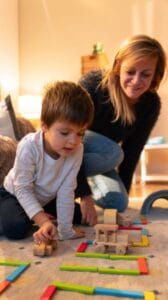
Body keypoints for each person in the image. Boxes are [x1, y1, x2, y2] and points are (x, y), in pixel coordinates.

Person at [75, 34, 167, 225]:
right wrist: (84, 195)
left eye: (146, 74)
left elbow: (132, 152)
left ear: (155, 75)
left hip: (99, 160)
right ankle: (69, 184)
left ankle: (84, 182)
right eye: (130, 72)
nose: (136, 80)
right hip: (69, 152)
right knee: (113, 152)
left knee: (117, 202)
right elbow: (72, 137)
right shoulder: (92, 84)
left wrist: (123, 192)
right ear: (118, 68)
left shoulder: (150, 104)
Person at [0, 81, 94, 243]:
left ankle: (37, 214)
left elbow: (66, 191)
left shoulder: (77, 150)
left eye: (80, 133)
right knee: (15, 227)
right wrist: (43, 221)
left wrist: (65, 230)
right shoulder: (29, 146)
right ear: (44, 125)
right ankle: (31, 215)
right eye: (65, 133)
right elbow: (22, 188)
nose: (73, 141)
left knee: (80, 216)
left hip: (46, 198)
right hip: (13, 194)